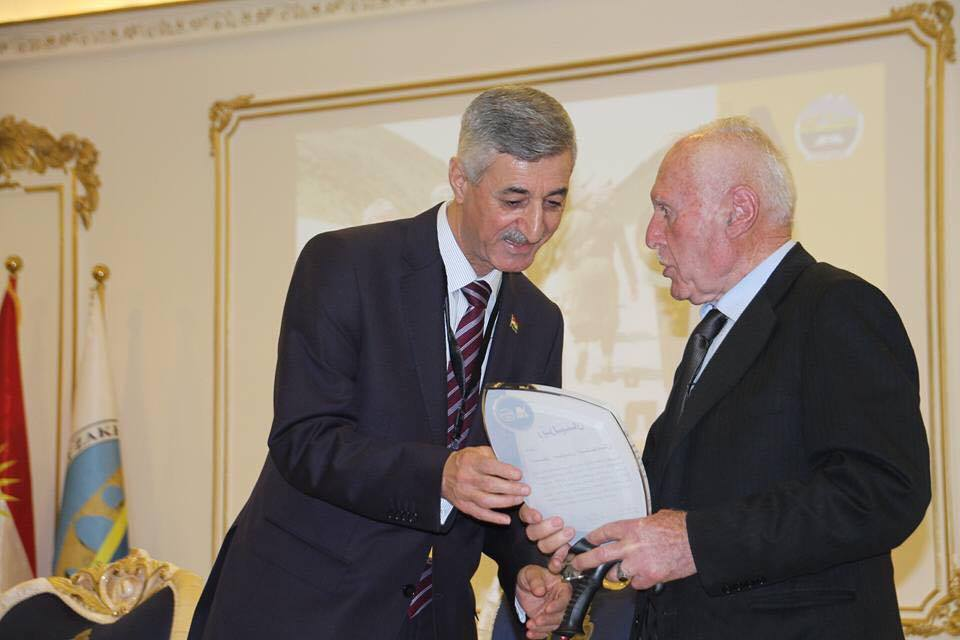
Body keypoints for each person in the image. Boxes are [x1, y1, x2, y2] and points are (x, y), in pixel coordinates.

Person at [189, 86, 576, 640]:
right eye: (513, 200)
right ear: (460, 179)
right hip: (307, 612)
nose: (535, 227)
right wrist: (439, 475)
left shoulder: (540, 321)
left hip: (435, 621)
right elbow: (305, 439)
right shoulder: (346, 263)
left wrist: (526, 568)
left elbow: (510, 484)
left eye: (554, 203)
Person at [522, 116, 930, 639]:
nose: (650, 236)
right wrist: (579, 561)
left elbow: (883, 490)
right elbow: (679, 501)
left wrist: (696, 542)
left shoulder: (834, 306)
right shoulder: (716, 332)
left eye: (666, 211)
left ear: (739, 212)